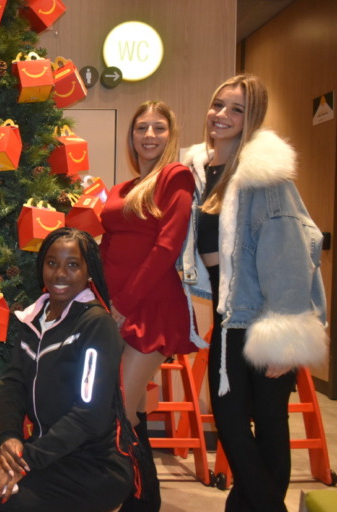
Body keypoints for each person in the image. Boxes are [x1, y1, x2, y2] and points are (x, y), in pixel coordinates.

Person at [181, 74, 328, 512]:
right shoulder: (198, 172)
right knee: (229, 422)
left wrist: (285, 337)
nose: (221, 115)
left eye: (236, 109)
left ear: (252, 118)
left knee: (268, 425)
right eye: (218, 104)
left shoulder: (265, 179)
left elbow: (289, 255)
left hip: (266, 317)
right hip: (230, 316)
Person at [0, 227, 137, 512]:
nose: (60, 274)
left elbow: (89, 416)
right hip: (41, 449)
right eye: (52, 263)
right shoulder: (35, 318)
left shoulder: (96, 325)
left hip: (91, 465)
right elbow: (13, 384)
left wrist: (24, 463)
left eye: (72, 265)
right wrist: (9, 439)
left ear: (89, 272)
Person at [99, 101, 198, 510]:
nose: (149, 135)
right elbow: (106, 247)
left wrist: (123, 302)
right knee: (133, 410)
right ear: (132, 135)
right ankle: (144, 496)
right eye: (142, 127)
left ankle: (136, 499)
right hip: (115, 307)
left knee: (117, 408)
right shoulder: (123, 188)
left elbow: (166, 248)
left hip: (150, 306)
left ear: (170, 134)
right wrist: (102, 300)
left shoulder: (176, 177)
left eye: (159, 127)